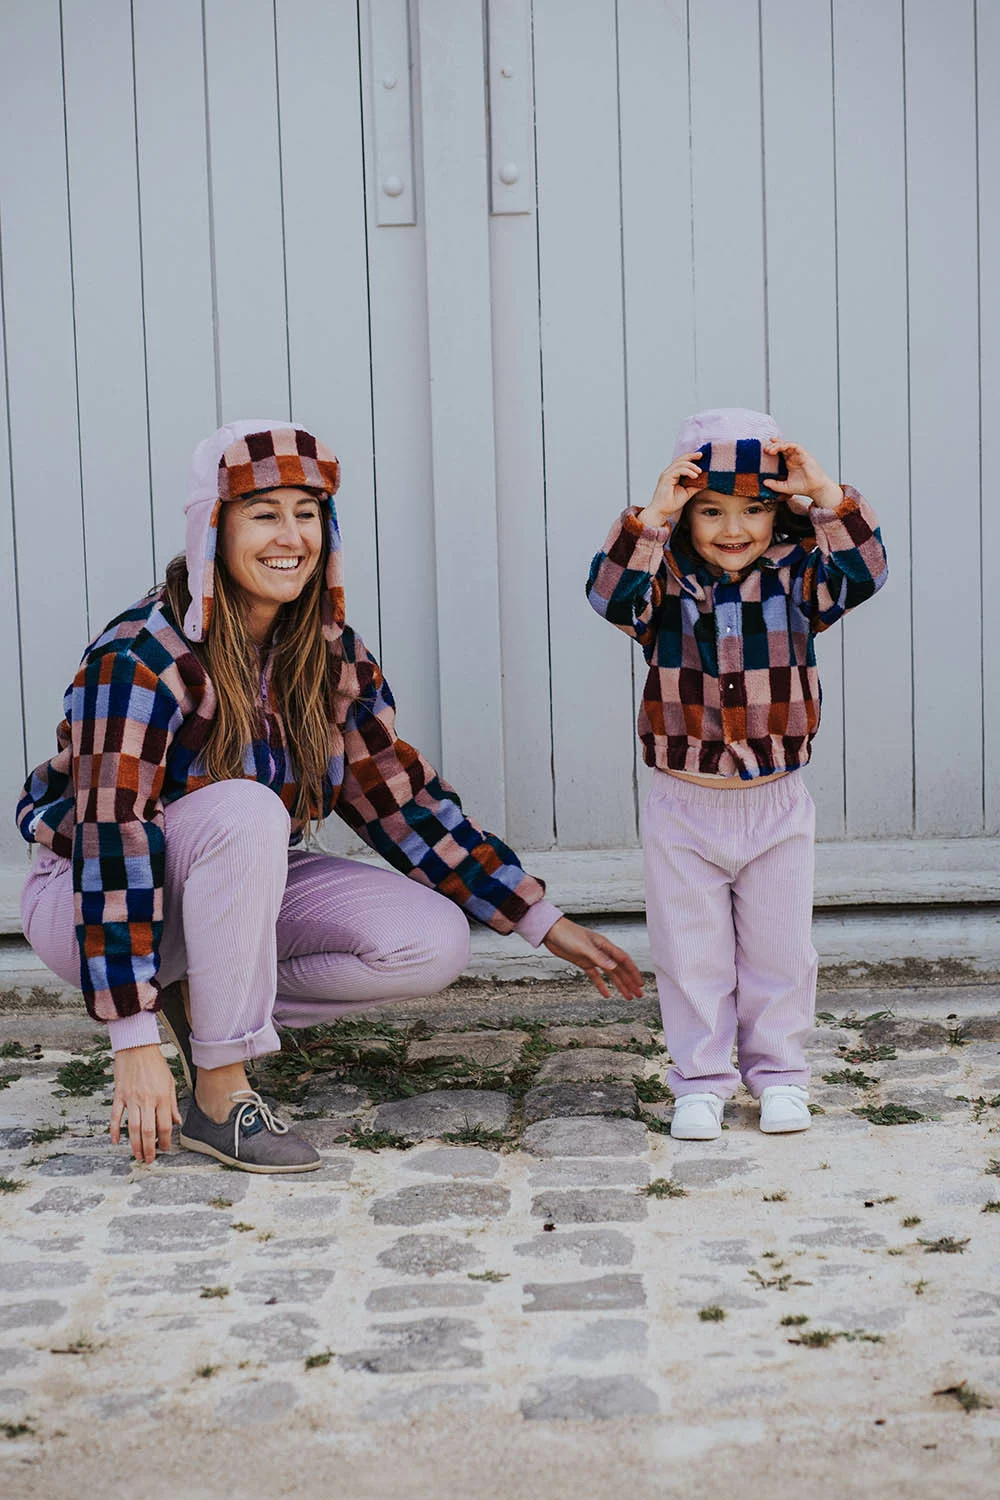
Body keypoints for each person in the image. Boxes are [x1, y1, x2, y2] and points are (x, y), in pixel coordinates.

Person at [18, 419, 643, 1173]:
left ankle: (206, 1005)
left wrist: (541, 920)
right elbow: (110, 835)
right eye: (264, 514)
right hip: (85, 895)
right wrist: (131, 1036)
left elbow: (403, 805)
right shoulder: (141, 657)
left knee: (431, 942)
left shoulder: (328, 652)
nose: (291, 537)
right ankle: (220, 1095)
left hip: (237, 884)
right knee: (249, 807)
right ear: (212, 527)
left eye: (307, 514)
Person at [586, 408, 887, 1139]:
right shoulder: (662, 585)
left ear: (778, 513)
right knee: (691, 954)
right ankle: (700, 1081)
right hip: (683, 806)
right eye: (710, 510)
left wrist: (827, 496)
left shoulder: (799, 579)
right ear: (686, 515)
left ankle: (780, 1074)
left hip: (775, 805)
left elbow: (864, 573)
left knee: (781, 951)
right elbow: (608, 595)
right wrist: (652, 517)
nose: (733, 528)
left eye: (753, 509)